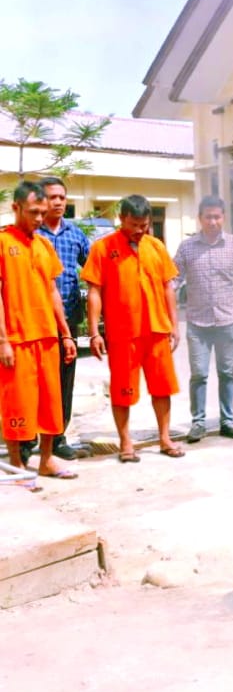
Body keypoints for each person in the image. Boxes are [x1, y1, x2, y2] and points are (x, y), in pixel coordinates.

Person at [80, 194, 184, 462]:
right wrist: (94, 332)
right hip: (123, 334)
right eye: (135, 225)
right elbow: (95, 291)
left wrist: (174, 324)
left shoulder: (156, 247)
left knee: (162, 388)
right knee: (122, 390)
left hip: (157, 330)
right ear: (121, 219)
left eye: (145, 225)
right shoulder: (103, 248)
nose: (140, 231)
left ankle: (165, 438)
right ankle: (126, 444)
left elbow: (167, 286)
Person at [0, 181, 79, 487]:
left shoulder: (44, 245)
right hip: (17, 340)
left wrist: (66, 334)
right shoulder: (4, 242)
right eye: (33, 212)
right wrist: (3, 340)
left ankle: (46, 460)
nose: (38, 218)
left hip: (47, 337)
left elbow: (52, 291)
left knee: (50, 403)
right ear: (16, 207)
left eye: (42, 213)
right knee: (17, 406)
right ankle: (18, 466)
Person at [173, 195, 233, 443]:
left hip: (228, 321)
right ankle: (198, 423)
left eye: (217, 217)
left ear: (223, 218)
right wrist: (160, 300)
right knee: (199, 375)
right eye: (208, 217)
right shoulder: (187, 248)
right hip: (197, 323)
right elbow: (174, 279)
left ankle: (227, 421)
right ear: (200, 219)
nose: (212, 221)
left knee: (227, 373)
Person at [21, 176, 93, 463]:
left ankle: (58, 437)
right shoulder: (31, 236)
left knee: (63, 381)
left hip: (67, 321)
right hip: (34, 320)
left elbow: (94, 272)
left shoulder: (75, 235)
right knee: (32, 382)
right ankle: (27, 440)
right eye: (52, 197)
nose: (58, 202)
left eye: (62, 197)